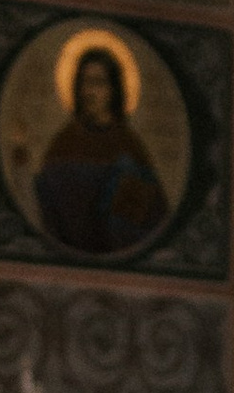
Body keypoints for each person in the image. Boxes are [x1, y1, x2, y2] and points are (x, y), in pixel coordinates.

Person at [34, 42, 168, 257]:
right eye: (84, 82)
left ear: (113, 90)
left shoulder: (129, 145)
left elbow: (152, 217)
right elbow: (47, 209)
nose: (89, 92)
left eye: (98, 83)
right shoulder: (63, 142)